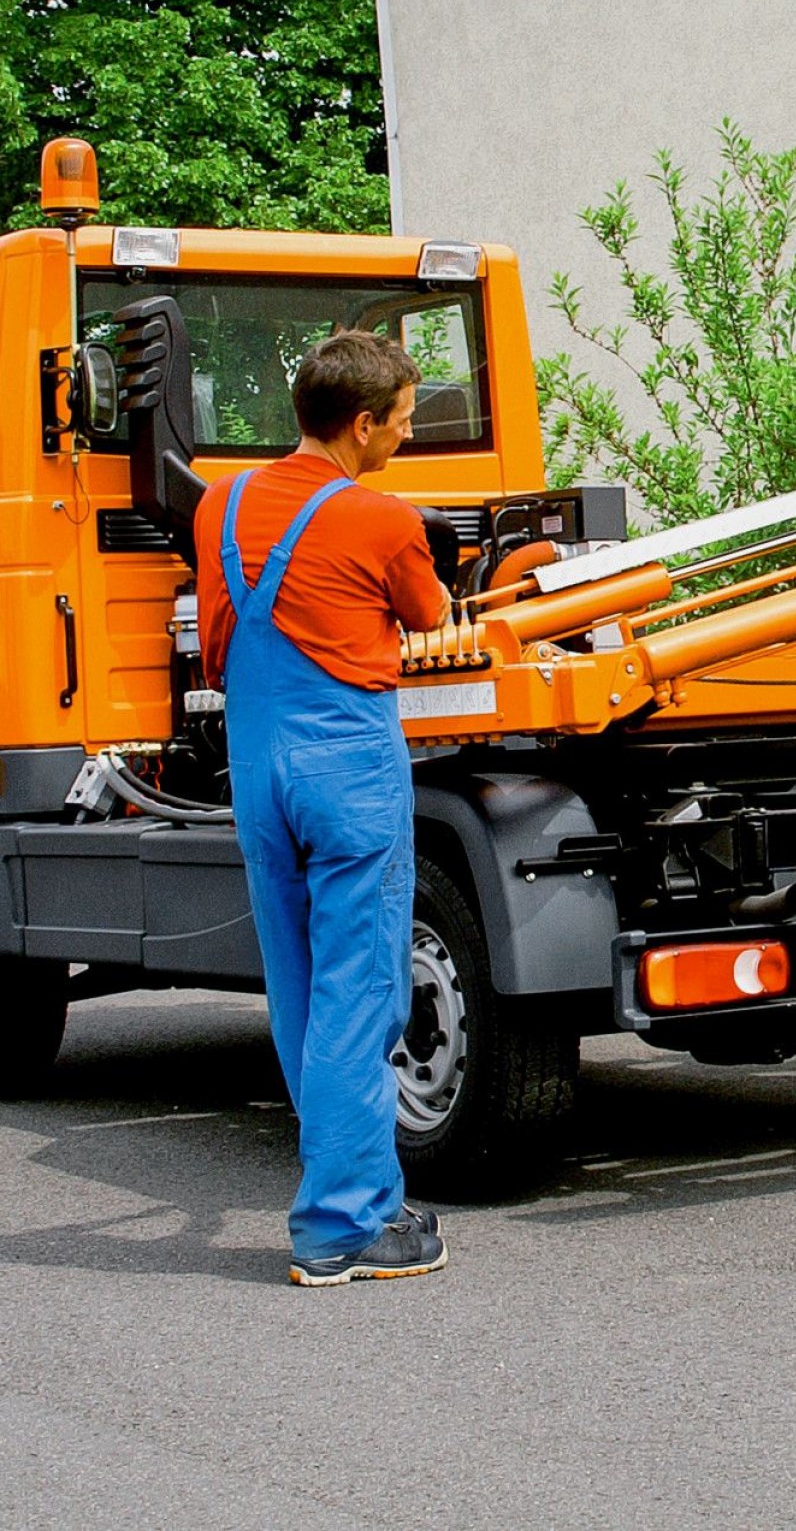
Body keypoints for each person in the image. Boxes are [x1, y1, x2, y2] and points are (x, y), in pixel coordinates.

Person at [194, 330, 451, 1285]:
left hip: (258, 761)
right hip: (346, 764)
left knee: (301, 987)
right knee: (361, 989)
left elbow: (223, 625)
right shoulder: (383, 518)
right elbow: (427, 617)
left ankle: (357, 1192)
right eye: (404, 419)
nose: (407, 435)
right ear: (361, 423)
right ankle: (343, 1226)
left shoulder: (222, 504)